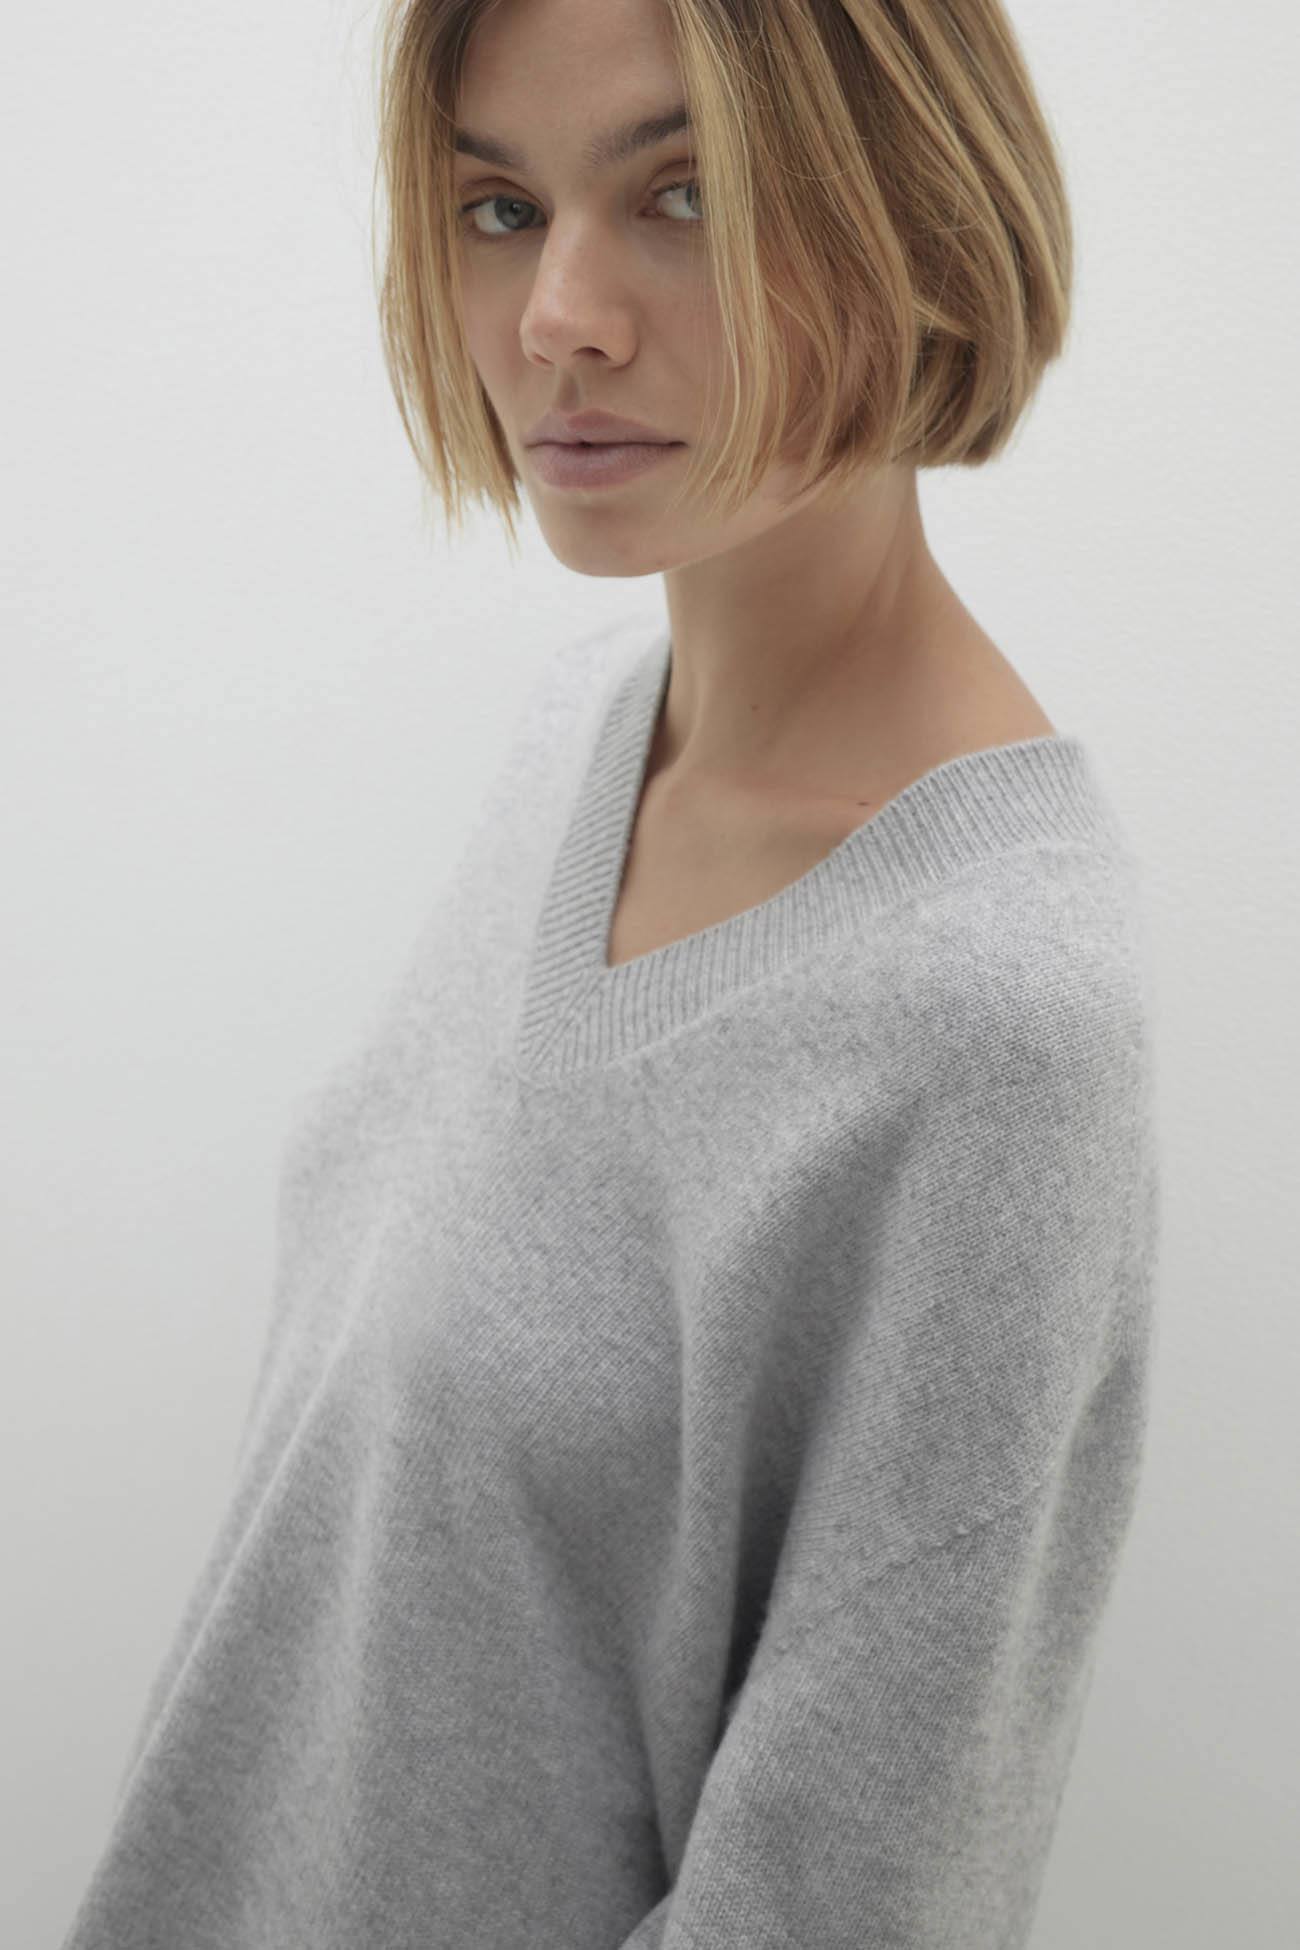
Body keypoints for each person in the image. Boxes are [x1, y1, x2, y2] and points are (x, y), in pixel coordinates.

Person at [61, 2, 1161, 1946]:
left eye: (684, 194)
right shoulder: (582, 732)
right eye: (499, 208)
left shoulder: (996, 1015)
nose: (558, 317)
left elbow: (848, 1902)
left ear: (911, 208)